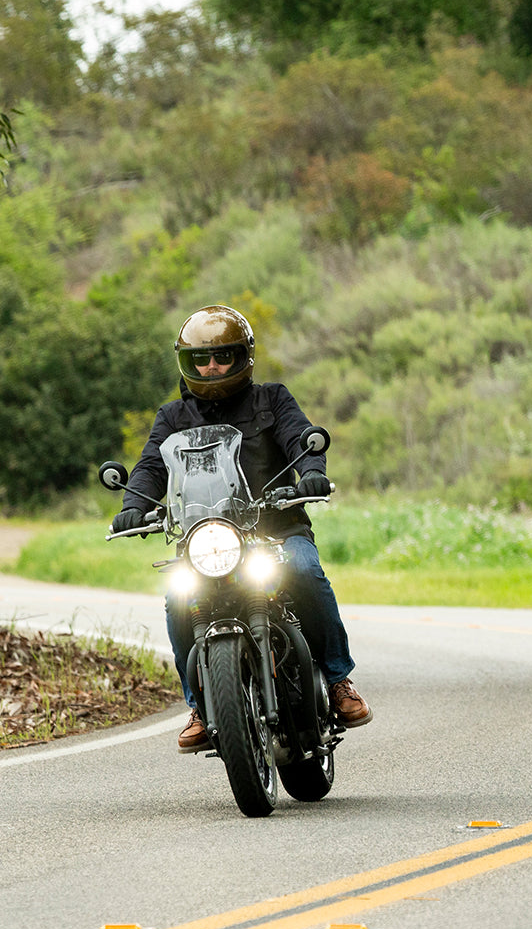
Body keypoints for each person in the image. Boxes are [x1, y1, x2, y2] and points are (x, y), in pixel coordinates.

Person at [111, 304, 372, 752]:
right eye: (200, 359)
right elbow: (151, 465)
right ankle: (199, 704)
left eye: (222, 357)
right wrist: (134, 504)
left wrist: (311, 470)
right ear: (186, 363)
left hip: (275, 530)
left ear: (243, 357)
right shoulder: (172, 417)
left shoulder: (272, 399)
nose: (211, 366)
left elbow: (300, 439)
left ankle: (338, 679)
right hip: (204, 540)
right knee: (178, 599)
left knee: (306, 570)